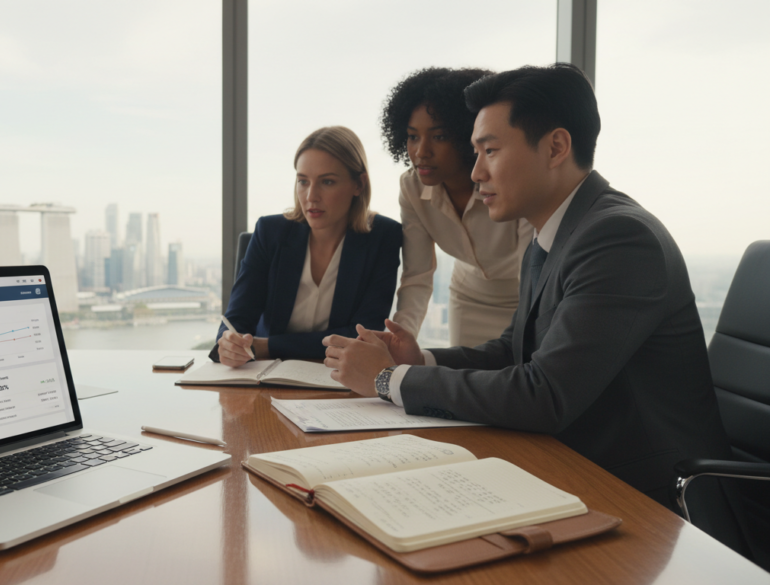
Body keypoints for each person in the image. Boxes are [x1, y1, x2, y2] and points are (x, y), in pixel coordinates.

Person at [323, 64, 731, 511]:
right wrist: (419, 359)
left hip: (652, 497)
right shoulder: (555, 232)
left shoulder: (618, 239)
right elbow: (516, 349)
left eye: (490, 151)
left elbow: (544, 395)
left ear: (556, 147)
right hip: (580, 464)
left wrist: (388, 380)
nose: (476, 173)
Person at [213, 126, 402, 366]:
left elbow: (364, 336)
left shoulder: (383, 237)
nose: (311, 196)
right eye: (303, 181)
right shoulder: (270, 232)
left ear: (359, 184)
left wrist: (268, 346)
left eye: (328, 182)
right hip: (263, 376)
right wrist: (229, 343)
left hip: (339, 378)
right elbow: (234, 322)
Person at [383, 68, 532, 346]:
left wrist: (530, 326)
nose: (421, 152)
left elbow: (532, 271)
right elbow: (417, 275)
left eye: (438, 137)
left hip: (526, 299)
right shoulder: (412, 189)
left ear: (468, 137)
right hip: (469, 299)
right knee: (466, 382)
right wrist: (399, 340)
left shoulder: (509, 181)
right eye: (413, 136)